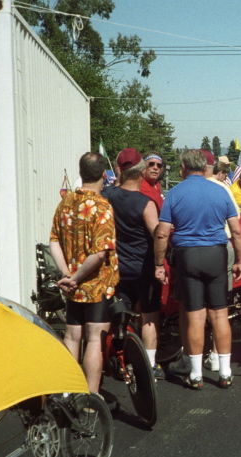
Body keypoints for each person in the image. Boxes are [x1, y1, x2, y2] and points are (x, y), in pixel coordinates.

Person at [154, 150, 241, 390]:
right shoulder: (220, 190)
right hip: (216, 253)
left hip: (188, 256)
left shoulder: (174, 193)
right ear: (205, 168)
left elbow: (162, 233)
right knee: (219, 314)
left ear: (183, 167)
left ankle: (195, 374)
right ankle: (225, 372)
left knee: (195, 315)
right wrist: (239, 260)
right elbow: (236, 230)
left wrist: (159, 263)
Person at [49, 152, 119, 393]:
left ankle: (69, 390)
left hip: (71, 284)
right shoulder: (101, 206)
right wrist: (76, 277)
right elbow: (100, 253)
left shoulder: (65, 202)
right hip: (96, 284)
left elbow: (54, 241)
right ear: (103, 174)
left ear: (80, 173)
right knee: (94, 340)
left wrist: (66, 274)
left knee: (71, 336)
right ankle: (90, 397)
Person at [102, 148, 163, 379]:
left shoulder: (106, 197)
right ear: (140, 172)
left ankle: (109, 358)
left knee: (113, 317)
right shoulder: (146, 204)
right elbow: (157, 235)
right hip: (143, 269)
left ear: (119, 171)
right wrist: (160, 264)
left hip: (116, 268)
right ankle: (149, 366)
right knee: (149, 317)